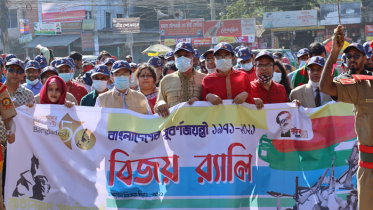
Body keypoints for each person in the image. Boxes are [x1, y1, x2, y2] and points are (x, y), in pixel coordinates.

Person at [319, 25, 373, 210]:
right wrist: (334, 51)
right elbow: (325, 87)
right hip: (369, 167)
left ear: (366, 58)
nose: (351, 59)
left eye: (356, 55)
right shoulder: (356, 85)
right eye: (348, 56)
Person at [154, 42, 205, 117]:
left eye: (186, 55)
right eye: (179, 55)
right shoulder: (166, 80)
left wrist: (200, 102)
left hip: (198, 125)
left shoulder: (204, 79)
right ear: (175, 59)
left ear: (193, 59)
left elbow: (211, 106)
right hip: (174, 126)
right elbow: (157, 106)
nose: (182, 58)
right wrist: (160, 103)